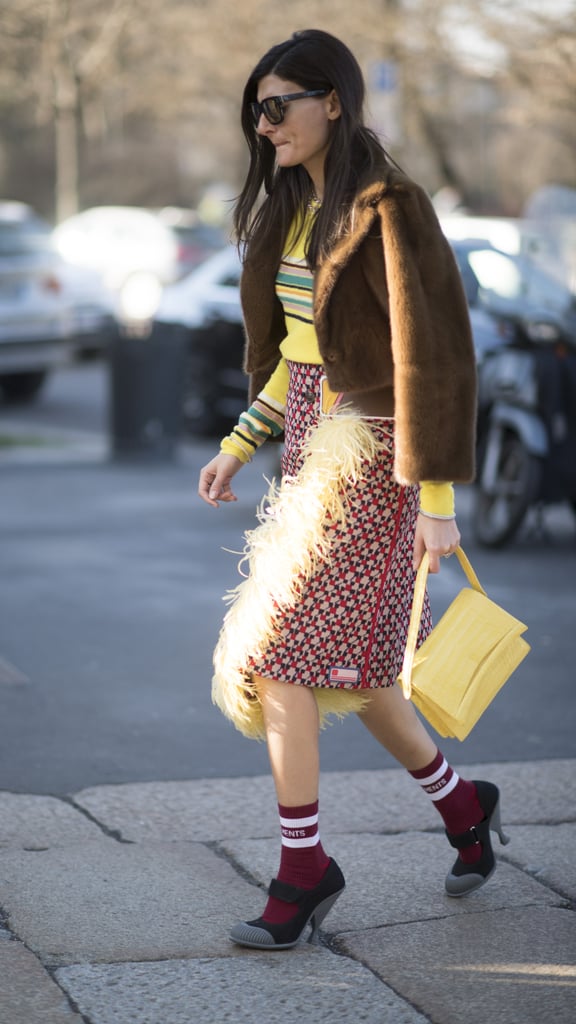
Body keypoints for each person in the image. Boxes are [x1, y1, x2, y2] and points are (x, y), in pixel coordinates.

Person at [198, 29, 508, 951]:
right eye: (256, 110)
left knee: (284, 658)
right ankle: (465, 807)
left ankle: (304, 868)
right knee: (363, 675)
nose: (265, 126)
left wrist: (441, 505)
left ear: (333, 99)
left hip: (378, 460)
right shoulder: (288, 206)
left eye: (278, 105)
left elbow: (438, 357)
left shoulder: (390, 205)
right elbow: (295, 357)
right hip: (308, 448)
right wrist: (239, 442)